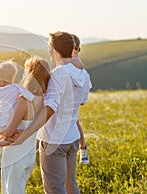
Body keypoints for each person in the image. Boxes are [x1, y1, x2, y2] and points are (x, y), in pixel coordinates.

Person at [10, 32, 92, 194]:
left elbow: (50, 108)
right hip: (73, 137)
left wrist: (25, 134)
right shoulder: (84, 75)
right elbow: (82, 101)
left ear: (54, 50)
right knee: (71, 184)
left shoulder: (57, 75)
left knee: (54, 188)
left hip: (53, 140)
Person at [0, 57, 51, 194]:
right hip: (29, 154)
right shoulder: (43, 100)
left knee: (10, 191)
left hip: (14, 153)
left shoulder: (23, 100)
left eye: (25, 71)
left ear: (30, 74)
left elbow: (9, 131)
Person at [0, 60, 36, 164]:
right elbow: (29, 96)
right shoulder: (16, 88)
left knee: (8, 134)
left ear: (3, 81)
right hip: (7, 120)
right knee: (15, 135)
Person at [71, 34, 90, 165]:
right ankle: (83, 150)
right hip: (75, 99)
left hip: (71, 99)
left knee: (75, 123)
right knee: (75, 123)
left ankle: (83, 149)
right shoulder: (75, 62)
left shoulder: (75, 62)